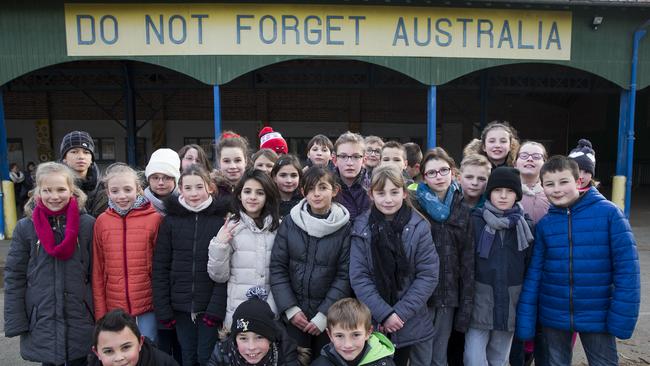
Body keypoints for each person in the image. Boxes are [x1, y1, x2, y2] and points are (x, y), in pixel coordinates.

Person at [516, 156, 640, 366]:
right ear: (542, 187)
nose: (557, 189)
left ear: (579, 181)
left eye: (564, 182)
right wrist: (527, 318)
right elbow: (535, 273)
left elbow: (628, 271)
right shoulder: (546, 224)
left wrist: (622, 317)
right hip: (554, 314)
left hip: (598, 314)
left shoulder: (610, 214)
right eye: (549, 184)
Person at [4, 162, 95, 366]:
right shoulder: (25, 228)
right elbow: (14, 276)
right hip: (41, 318)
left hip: (81, 318)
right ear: (38, 191)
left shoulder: (88, 225)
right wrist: (16, 320)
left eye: (61, 189)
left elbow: (97, 273)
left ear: (71, 190)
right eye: (47, 190)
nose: (54, 196)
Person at [350, 165, 439, 366]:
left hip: (410, 319)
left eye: (394, 192)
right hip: (373, 320)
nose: (388, 199)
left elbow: (428, 275)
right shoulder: (361, 226)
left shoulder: (419, 226)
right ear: (371, 194)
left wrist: (399, 313)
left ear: (404, 193)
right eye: (381, 193)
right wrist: (384, 313)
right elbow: (359, 276)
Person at [271, 167, 352, 362]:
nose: (316, 194)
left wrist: (324, 315)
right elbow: (278, 267)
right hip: (294, 317)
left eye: (323, 187)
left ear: (334, 190)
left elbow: (344, 275)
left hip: (329, 318)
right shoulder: (290, 223)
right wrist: (290, 309)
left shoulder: (345, 228)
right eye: (310, 188)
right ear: (303, 192)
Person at [153, 165, 230, 366]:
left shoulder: (219, 220)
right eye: (188, 188)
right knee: (187, 355)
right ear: (181, 189)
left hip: (209, 306)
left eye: (199, 187)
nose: (194, 193)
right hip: (180, 306)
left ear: (210, 188)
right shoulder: (170, 221)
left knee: (206, 356)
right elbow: (161, 267)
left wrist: (216, 309)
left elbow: (224, 269)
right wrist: (164, 310)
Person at [410, 148, 474, 366]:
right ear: (423, 176)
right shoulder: (414, 204)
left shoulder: (463, 205)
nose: (438, 176)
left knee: (440, 355)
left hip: (449, 291)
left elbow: (467, 258)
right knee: (420, 355)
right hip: (421, 293)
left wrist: (465, 298)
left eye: (443, 170)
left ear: (453, 171)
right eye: (432, 172)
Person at [464, 167, 534, 366]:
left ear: (517, 195)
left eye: (510, 191)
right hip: (479, 301)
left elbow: (529, 265)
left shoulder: (525, 225)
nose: (503, 196)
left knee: (499, 358)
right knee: (473, 358)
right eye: (497, 190)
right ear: (489, 192)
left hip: (511, 302)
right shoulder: (474, 221)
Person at [92, 163, 163, 343]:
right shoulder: (102, 222)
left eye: (127, 189)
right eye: (115, 191)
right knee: (121, 351)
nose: (121, 196)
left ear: (138, 189)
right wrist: (100, 310)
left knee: (148, 348)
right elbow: (98, 270)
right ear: (107, 192)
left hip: (148, 304)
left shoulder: (154, 219)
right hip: (114, 306)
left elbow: (161, 266)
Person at [208, 169, 281, 329]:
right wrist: (220, 244)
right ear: (240, 195)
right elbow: (218, 276)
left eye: (260, 193)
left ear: (267, 196)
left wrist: (271, 309)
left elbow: (283, 274)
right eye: (247, 191)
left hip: (270, 311)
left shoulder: (278, 228)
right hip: (237, 310)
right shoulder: (231, 227)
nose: (253, 197)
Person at [510, 142, 551, 366]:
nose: (530, 159)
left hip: (545, 271)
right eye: (524, 155)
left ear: (544, 162)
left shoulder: (552, 194)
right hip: (515, 270)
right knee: (516, 326)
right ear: (515, 161)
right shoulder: (506, 192)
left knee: (542, 328)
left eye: (536, 156)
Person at [207, 287, 299, 366]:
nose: (251, 347)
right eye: (243, 338)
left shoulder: (285, 355)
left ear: (271, 339)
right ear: (235, 339)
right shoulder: (222, 353)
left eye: (259, 337)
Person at [312, 298, 396, 366]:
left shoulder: (384, 363)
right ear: (330, 335)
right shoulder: (320, 363)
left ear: (368, 332)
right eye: (339, 336)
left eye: (356, 335)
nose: (347, 345)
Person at [88, 309, 179, 366]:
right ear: (97, 353)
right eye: (108, 351)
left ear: (140, 343)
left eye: (126, 347)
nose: (119, 358)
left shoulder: (164, 363)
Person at [60, 130, 108, 217]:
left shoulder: (105, 188)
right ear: (64, 158)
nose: (81, 157)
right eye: (74, 152)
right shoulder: (53, 187)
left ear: (91, 159)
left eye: (86, 152)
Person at [332, 131, 370, 222]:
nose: (349, 163)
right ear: (334, 160)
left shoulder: (374, 188)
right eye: (343, 156)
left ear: (364, 160)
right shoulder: (327, 188)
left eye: (356, 157)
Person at [144, 148, 181, 215]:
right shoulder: (138, 205)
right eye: (155, 178)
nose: (160, 183)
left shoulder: (187, 203)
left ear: (175, 180)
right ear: (148, 180)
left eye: (167, 178)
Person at [215, 131, 250, 196]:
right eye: (226, 161)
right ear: (219, 162)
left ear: (246, 161)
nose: (233, 166)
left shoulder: (257, 188)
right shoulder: (210, 191)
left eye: (237, 160)